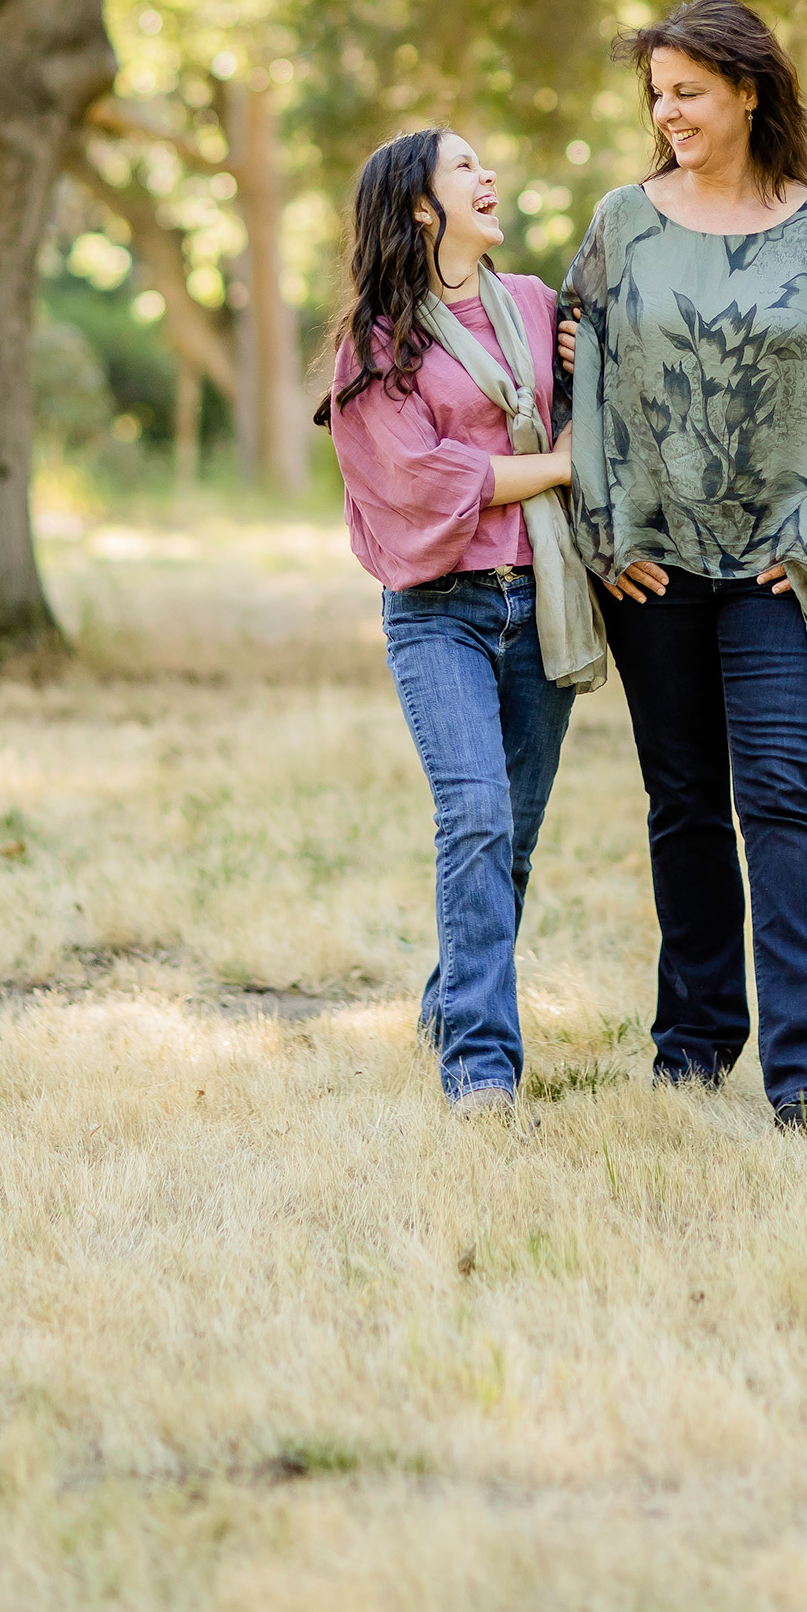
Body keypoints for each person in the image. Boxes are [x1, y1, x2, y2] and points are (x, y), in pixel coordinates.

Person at [559, 0, 807, 1127]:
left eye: (688, 91)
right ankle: (693, 1046)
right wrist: (607, 539)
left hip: (777, 568)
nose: (668, 112)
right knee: (684, 805)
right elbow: (580, 387)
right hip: (654, 570)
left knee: (779, 799)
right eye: (656, 94)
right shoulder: (620, 222)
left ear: (748, 90)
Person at [317, 127, 598, 1113]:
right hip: (440, 610)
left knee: (507, 840)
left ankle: (448, 1005)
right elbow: (424, 478)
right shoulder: (378, 341)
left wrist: (582, 366)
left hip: (543, 597)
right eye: (464, 168)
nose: (489, 177)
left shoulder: (532, 306)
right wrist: (558, 464)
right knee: (472, 814)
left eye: (486, 163)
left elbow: (595, 402)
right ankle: (481, 1065)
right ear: (422, 207)